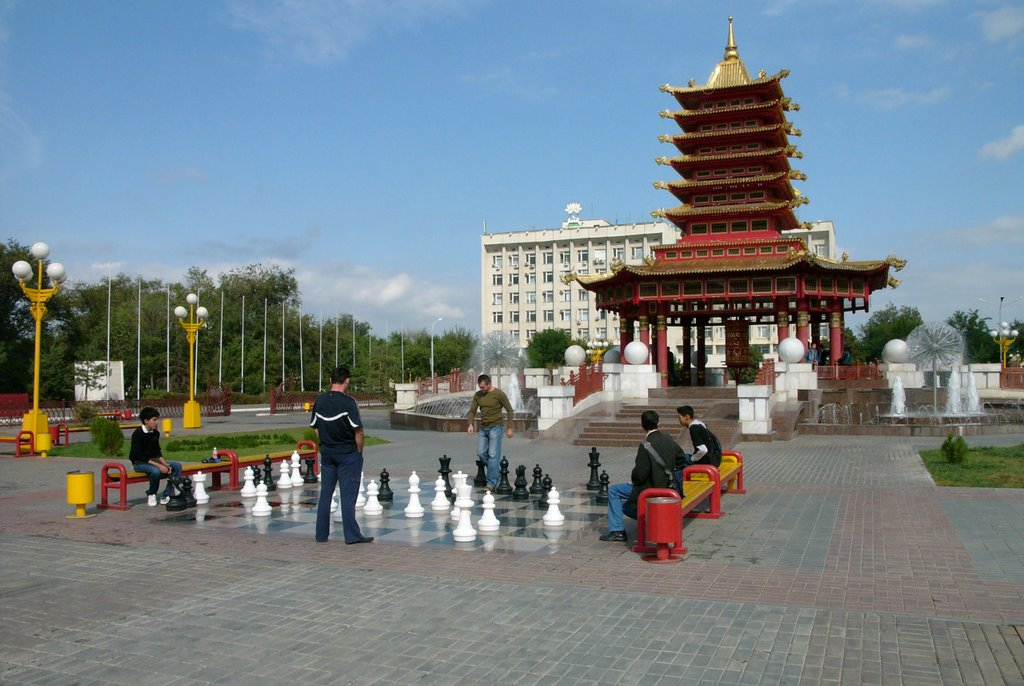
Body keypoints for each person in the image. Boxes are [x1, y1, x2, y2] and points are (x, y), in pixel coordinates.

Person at [599, 410, 687, 543]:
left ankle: (617, 530)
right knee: (627, 505)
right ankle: (650, 520)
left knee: (614, 491)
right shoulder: (668, 439)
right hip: (668, 487)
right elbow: (681, 458)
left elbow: (640, 475)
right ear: (658, 422)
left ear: (642, 426)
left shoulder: (646, 445)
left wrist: (634, 480)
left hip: (650, 488)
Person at [310, 365, 373, 545]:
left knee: (325, 495)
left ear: (331, 380)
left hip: (328, 454)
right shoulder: (348, 402)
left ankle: (321, 535)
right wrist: (358, 452)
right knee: (348, 495)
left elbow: (315, 428)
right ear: (347, 380)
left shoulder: (319, 401)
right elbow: (358, 431)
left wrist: (325, 443)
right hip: (347, 454)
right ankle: (352, 536)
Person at [466, 373, 514, 490]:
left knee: (493, 454)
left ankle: (491, 483)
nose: (481, 389)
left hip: (496, 427)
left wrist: (509, 428)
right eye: (480, 387)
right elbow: (472, 411)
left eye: (483, 387)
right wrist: (470, 424)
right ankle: (496, 472)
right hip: (483, 428)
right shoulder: (478, 395)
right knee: (481, 453)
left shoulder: (499, 394)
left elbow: (510, 410)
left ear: (489, 384)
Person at [129, 406, 182, 507]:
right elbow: (139, 456)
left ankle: (166, 495)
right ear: (146, 421)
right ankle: (152, 494)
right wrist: (159, 466)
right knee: (155, 471)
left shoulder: (155, 433)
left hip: (152, 461)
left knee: (176, 466)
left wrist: (165, 464)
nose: (156, 422)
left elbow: (157, 452)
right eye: (154, 420)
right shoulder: (137, 434)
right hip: (139, 463)